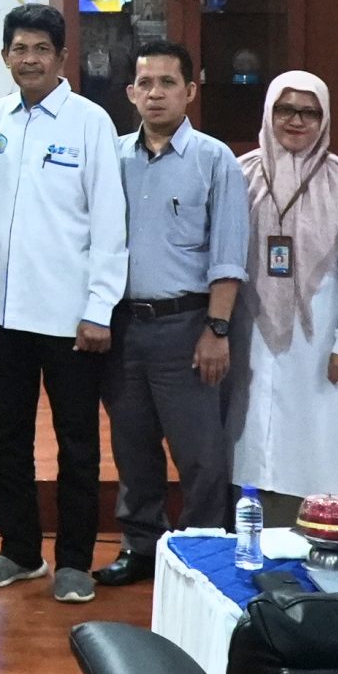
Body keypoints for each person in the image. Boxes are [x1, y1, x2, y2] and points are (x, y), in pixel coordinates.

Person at [0, 4, 127, 603]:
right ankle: (19, 551)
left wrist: (99, 307)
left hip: (70, 316)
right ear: (5, 55)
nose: (29, 60)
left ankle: (75, 561)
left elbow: (109, 221)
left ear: (61, 57)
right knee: (6, 440)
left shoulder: (90, 122)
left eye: (41, 49)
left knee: (76, 444)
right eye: (19, 49)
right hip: (2, 312)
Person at [98, 40, 248, 587]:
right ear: (130, 93)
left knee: (200, 454)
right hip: (122, 327)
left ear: (190, 91)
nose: (155, 93)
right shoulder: (111, 157)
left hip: (187, 326)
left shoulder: (214, 159)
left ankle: (201, 554)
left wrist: (217, 328)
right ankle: (140, 547)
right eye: (145, 83)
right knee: (132, 448)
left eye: (167, 83)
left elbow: (229, 253)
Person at [228, 73, 338, 527]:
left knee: (318, 439)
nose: (296, 120)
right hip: (250, 328)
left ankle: (319, 525)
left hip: (320, 332)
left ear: (324, 119)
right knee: (252, 433)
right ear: (268, 112)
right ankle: (255, 524)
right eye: (285, 109)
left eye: (309, 112)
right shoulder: (240, 174)